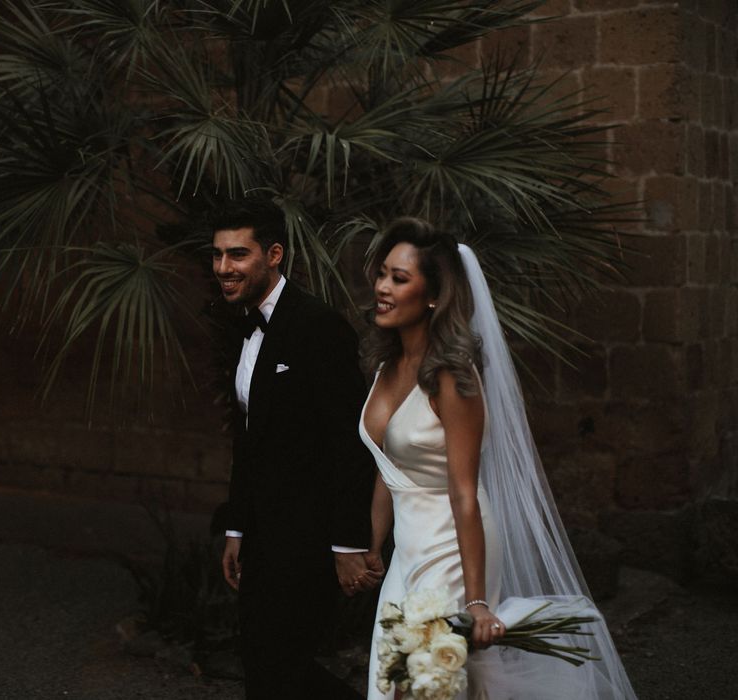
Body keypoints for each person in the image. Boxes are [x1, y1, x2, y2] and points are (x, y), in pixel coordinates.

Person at [361, 218, 637, 699]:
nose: (382, 287)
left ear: (433, 296)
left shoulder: (452, 377)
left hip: (453, 544)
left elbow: (464, 491)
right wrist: (371, 544)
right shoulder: (388, 364)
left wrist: (478, 601)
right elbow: (390, 470)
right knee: (394, 677)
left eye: (399, 278)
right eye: (383, 273)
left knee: (431, 681)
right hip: (407, 549)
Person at [209, 199, 381, 700]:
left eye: (238, 254)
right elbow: (250, 440)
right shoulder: (242, 323)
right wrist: (237, 526)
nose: (224, 268)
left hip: (310, 539)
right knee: (263, 666)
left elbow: (352, 442)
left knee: (280, 667)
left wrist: (348, 544)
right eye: (218, 255)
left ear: (275, 254)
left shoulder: (319, 326)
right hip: (262, 536)